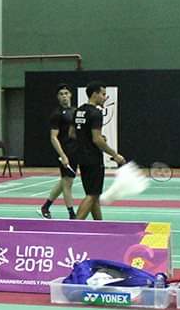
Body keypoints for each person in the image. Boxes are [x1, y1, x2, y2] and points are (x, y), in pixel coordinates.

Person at [73, 81, 125, 221]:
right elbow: (97, 140)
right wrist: (115, 155)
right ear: (94, 94)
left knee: (93, 194)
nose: (105, 97)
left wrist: (90, 138)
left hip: (82, 158)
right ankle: (74, 226)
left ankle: (99, 225)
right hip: (93, 158)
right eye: (103, 94)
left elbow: (72, 134)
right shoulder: (96, 113)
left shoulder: (79, 111)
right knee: (92, 195)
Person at [39, 84, 78, 219]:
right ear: (58, 97)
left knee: (65, 181)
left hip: (75, 151)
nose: (64, 96)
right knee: (67, 183)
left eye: (66, 93)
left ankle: (46, 206)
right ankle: (72, 214)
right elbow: (53, 137)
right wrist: (63, 155)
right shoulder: (57, 114)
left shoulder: (75, 111)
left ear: (70, 95)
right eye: (61, 94)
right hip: (65, 151)